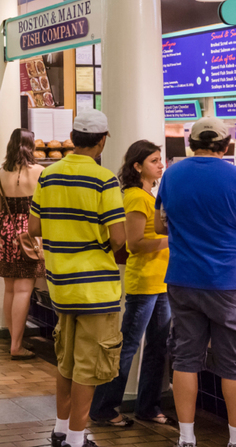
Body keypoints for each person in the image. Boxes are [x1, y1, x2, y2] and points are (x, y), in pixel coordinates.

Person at [155, 117, 236, 447]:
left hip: (182, 279)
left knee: (185, 359)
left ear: (191, 143)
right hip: (228, 283)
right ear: (226, 145)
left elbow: (160, 226)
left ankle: (186, 438)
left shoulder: (171, 175)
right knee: (233, 364)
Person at [28, 109, 126, 447]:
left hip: (60, 283)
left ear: (73, 138)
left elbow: (34, 226)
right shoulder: (104, 179)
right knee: (90, 364)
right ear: (101, 141)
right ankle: (75, 438)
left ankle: (60, 428)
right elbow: (118, 237)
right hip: (96, 287)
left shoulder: (48, 174)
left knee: (66, 360)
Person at [90, 141, 171, 427]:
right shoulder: (136, 197)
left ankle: (148, 405)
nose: (160, 165)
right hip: (144, 282)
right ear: (137, 167)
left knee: (157, 347)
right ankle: (104, 407)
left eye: (161, 160)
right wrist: (173, 238)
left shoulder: (150, 194)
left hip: (162, 282)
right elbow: (135, 244)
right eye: (154, 160)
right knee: (129, 346)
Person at [0, 128, 44, 360]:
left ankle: (14, 340)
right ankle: (16, 345)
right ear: (30, 147)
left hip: (4, 233)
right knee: (24, 290)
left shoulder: (0, 173)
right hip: (29, 235)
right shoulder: (41, 172)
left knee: (10, 288)